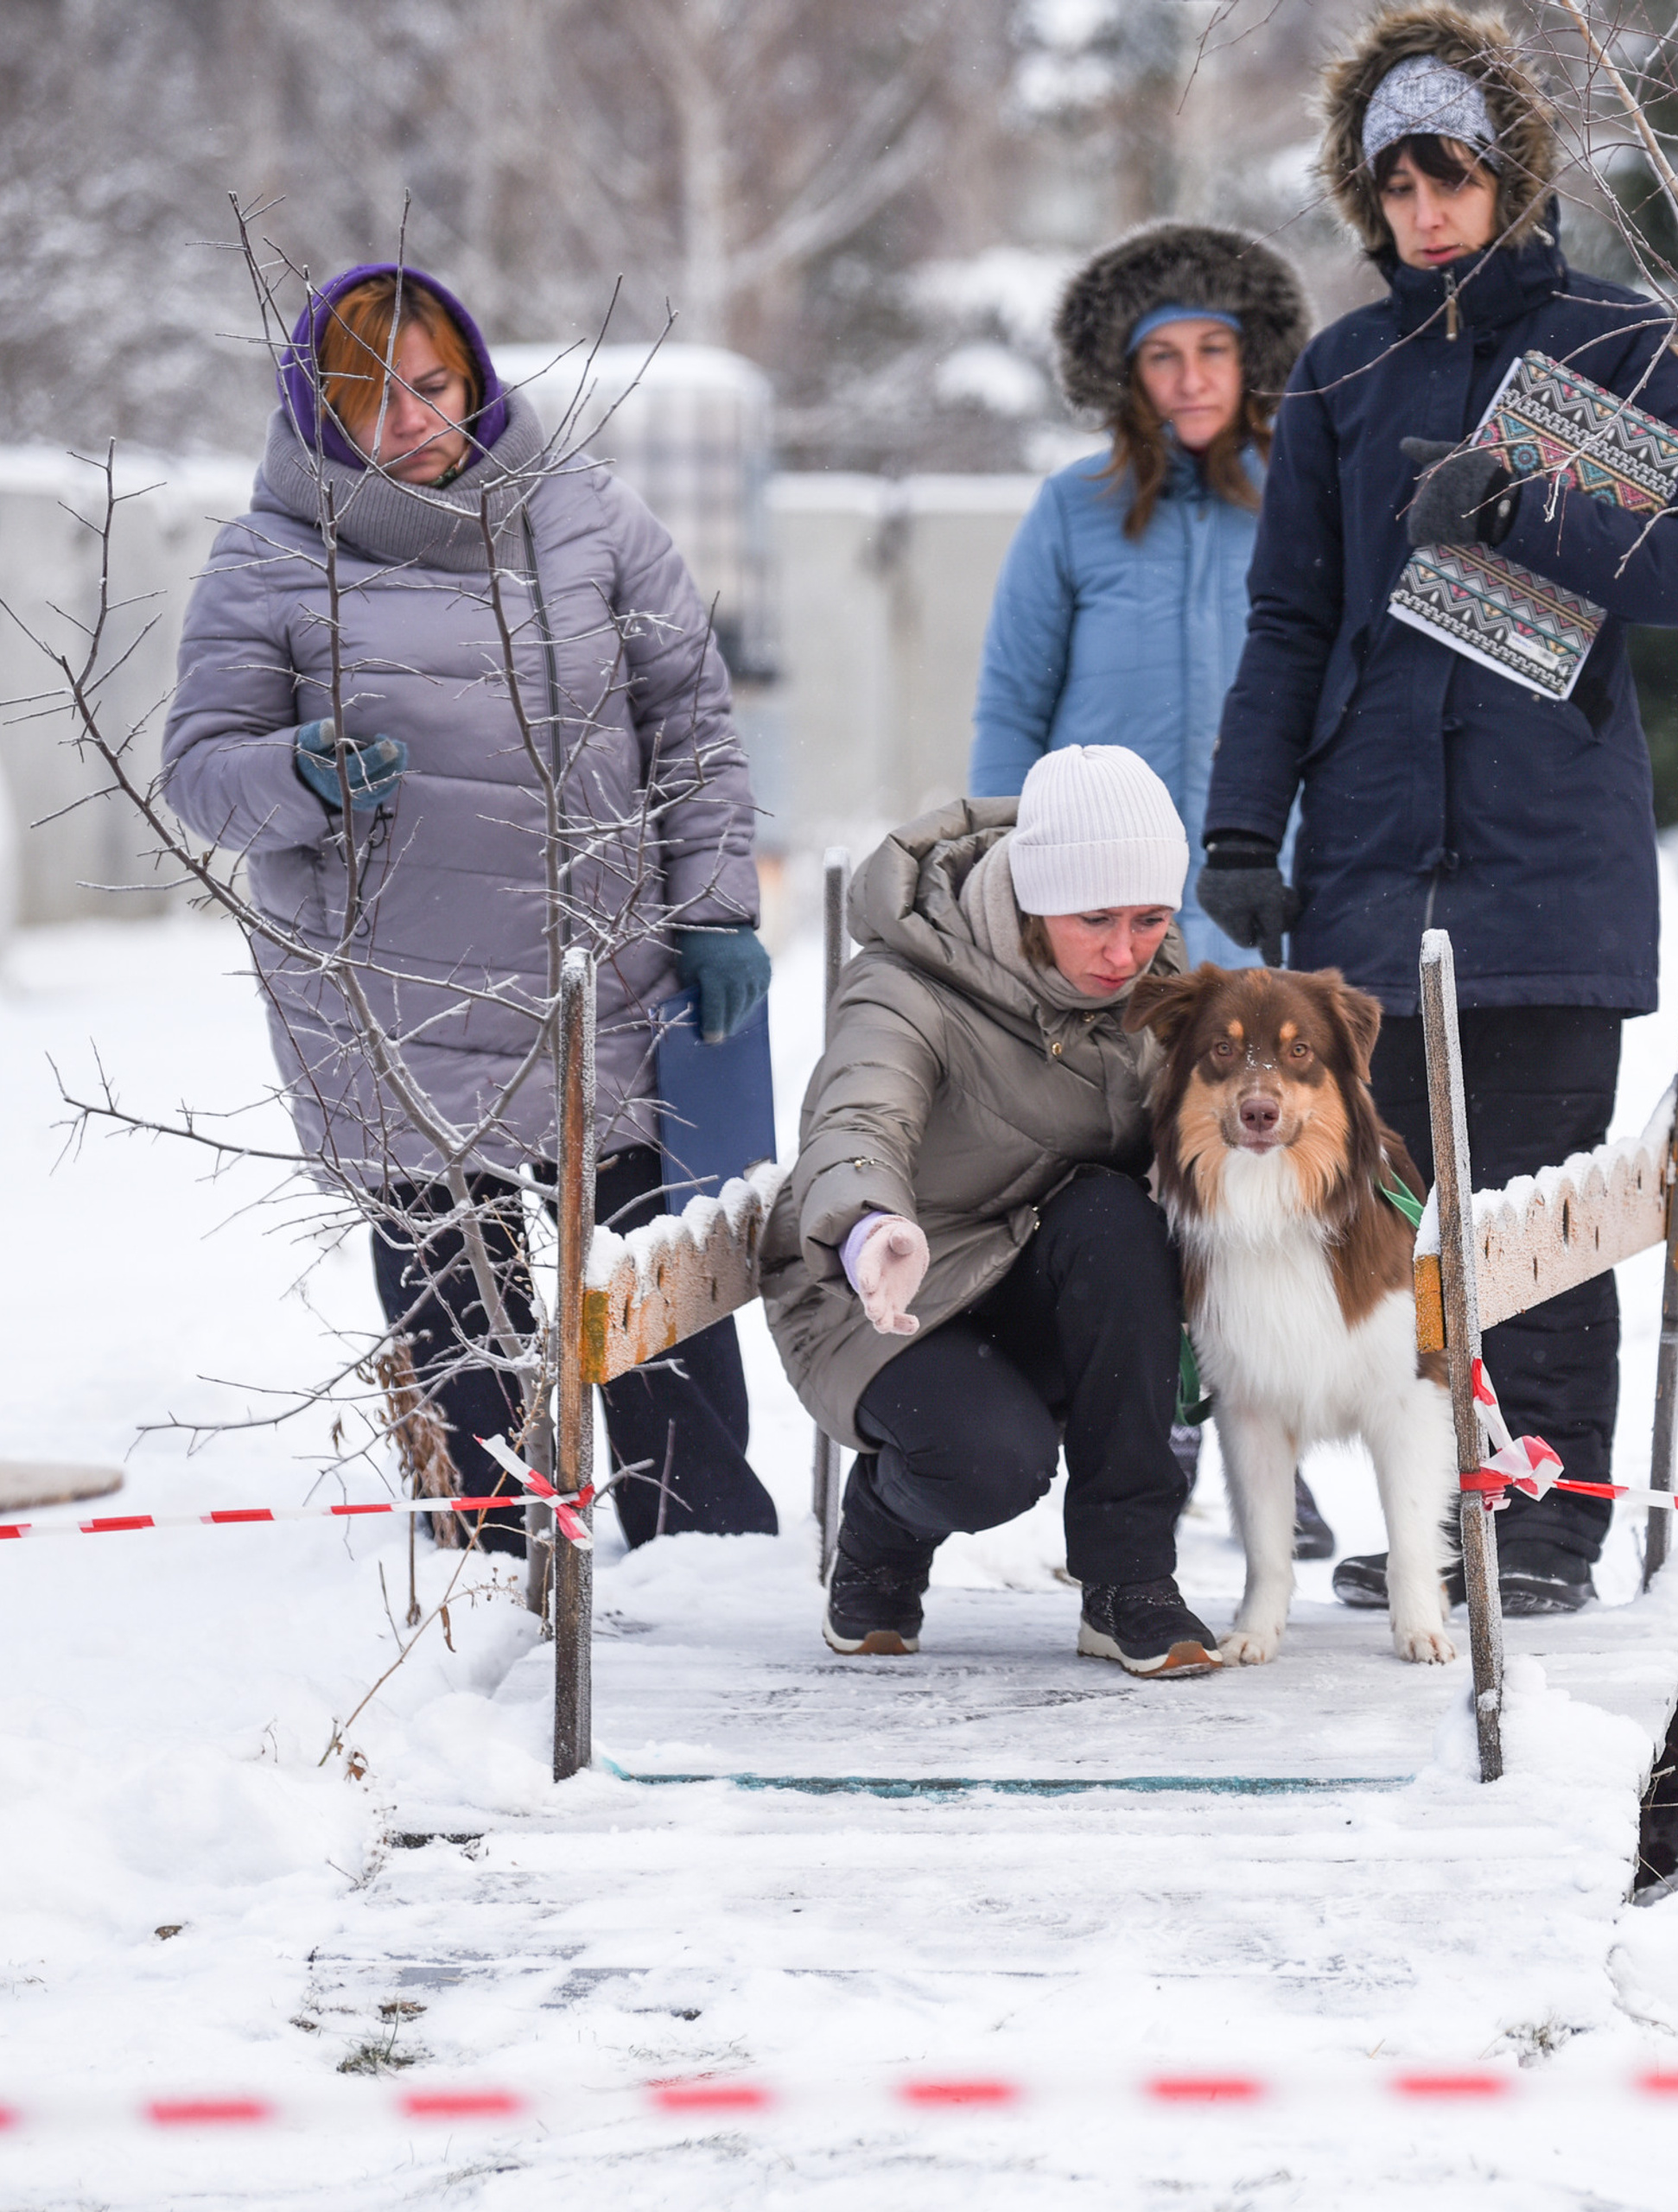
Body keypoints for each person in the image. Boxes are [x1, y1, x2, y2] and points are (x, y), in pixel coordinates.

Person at [1195, 7, 1678, 1615]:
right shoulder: (1344, 372)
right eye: (1398, 186)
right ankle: (1435, 1507)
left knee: (1541, 1205)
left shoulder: (1614, 344)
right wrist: (1242, 827)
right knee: (1400, 1206)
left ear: (1509, 172)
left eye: (1453, 177)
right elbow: (1292, 620)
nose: (1426, 211)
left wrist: (1518, 503)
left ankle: (1548, 1511)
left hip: (1549, 852)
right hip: (1369, 856)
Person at [162, 262, 779, 1554]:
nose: (414, 424)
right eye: (370, 401)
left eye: (434, 387)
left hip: (603, 986)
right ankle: (492, 1555)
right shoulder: (271, 561)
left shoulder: (589, 516)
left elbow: (692, 726)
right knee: (460, 1316)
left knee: (652, 1289)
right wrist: (296, 774)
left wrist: (716, 904)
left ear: (477, 376)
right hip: (401, 1006)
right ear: (319, 416)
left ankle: (705, 1541)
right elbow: (200, 773)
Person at [969, 224, 1335, 1556]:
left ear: (1256, 361)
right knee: (1133, 1190)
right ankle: (1149, 1444)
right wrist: (1008, 882)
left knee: (1264, 1189)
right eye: (1163, 356)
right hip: (1107, 923)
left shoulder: (1300, 494)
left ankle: (1269, 1444)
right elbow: (1012, 705)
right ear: (1126, 376)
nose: (1189, 379)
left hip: (1257, 904)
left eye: (1215, 351)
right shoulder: (1072, 512)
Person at [760, 746, 1223, 1676]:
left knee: (1118, 1219)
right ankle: (882, 1534)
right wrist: (866, 1225)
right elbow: (859, 1113)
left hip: (1040, 1272)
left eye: (1149, 918)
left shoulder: (1151, 986)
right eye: (1094, 919)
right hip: (884, 1288)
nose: (1125, 951)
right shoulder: (909, 983)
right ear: (1029, 896)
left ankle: (1128, 1579)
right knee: (990, 1465)